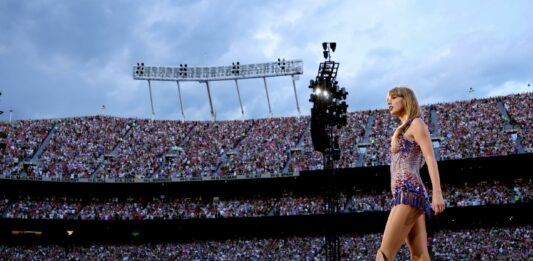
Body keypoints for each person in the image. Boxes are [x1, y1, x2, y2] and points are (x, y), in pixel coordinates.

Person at [376, 86, 445, 260]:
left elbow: (430, 158)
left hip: (410, 192)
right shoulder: (401, 130)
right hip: (403, 193)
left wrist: (437, 193)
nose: (389, 102)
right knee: (419, 255)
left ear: (405, 98)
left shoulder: (417, 123)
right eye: (387, 100)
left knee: (383, 254)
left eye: (393, 98)